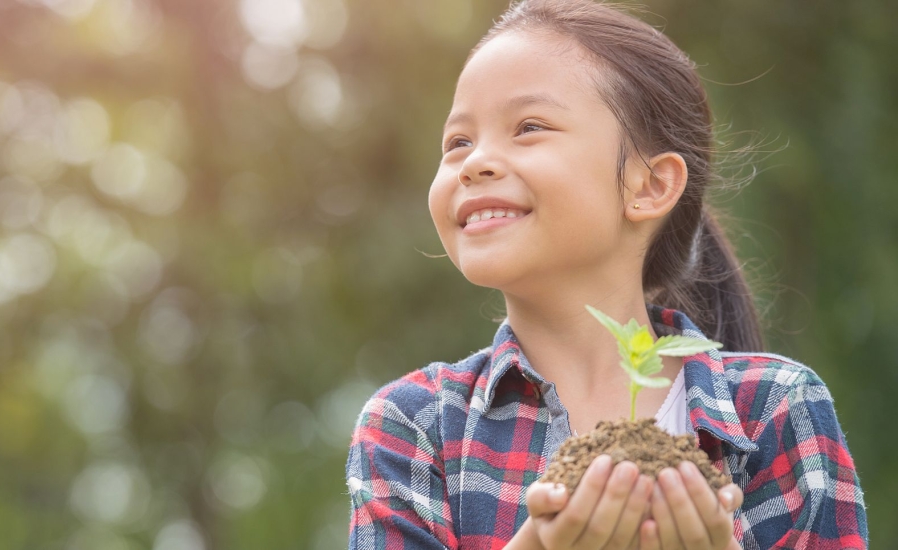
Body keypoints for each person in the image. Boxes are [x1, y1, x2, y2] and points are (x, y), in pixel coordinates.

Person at [344, 0, 869, 548]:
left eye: (528, 127)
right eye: (458, 141)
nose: (475, 162)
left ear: (649, 186)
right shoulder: (413, 426)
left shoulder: (777, 410)